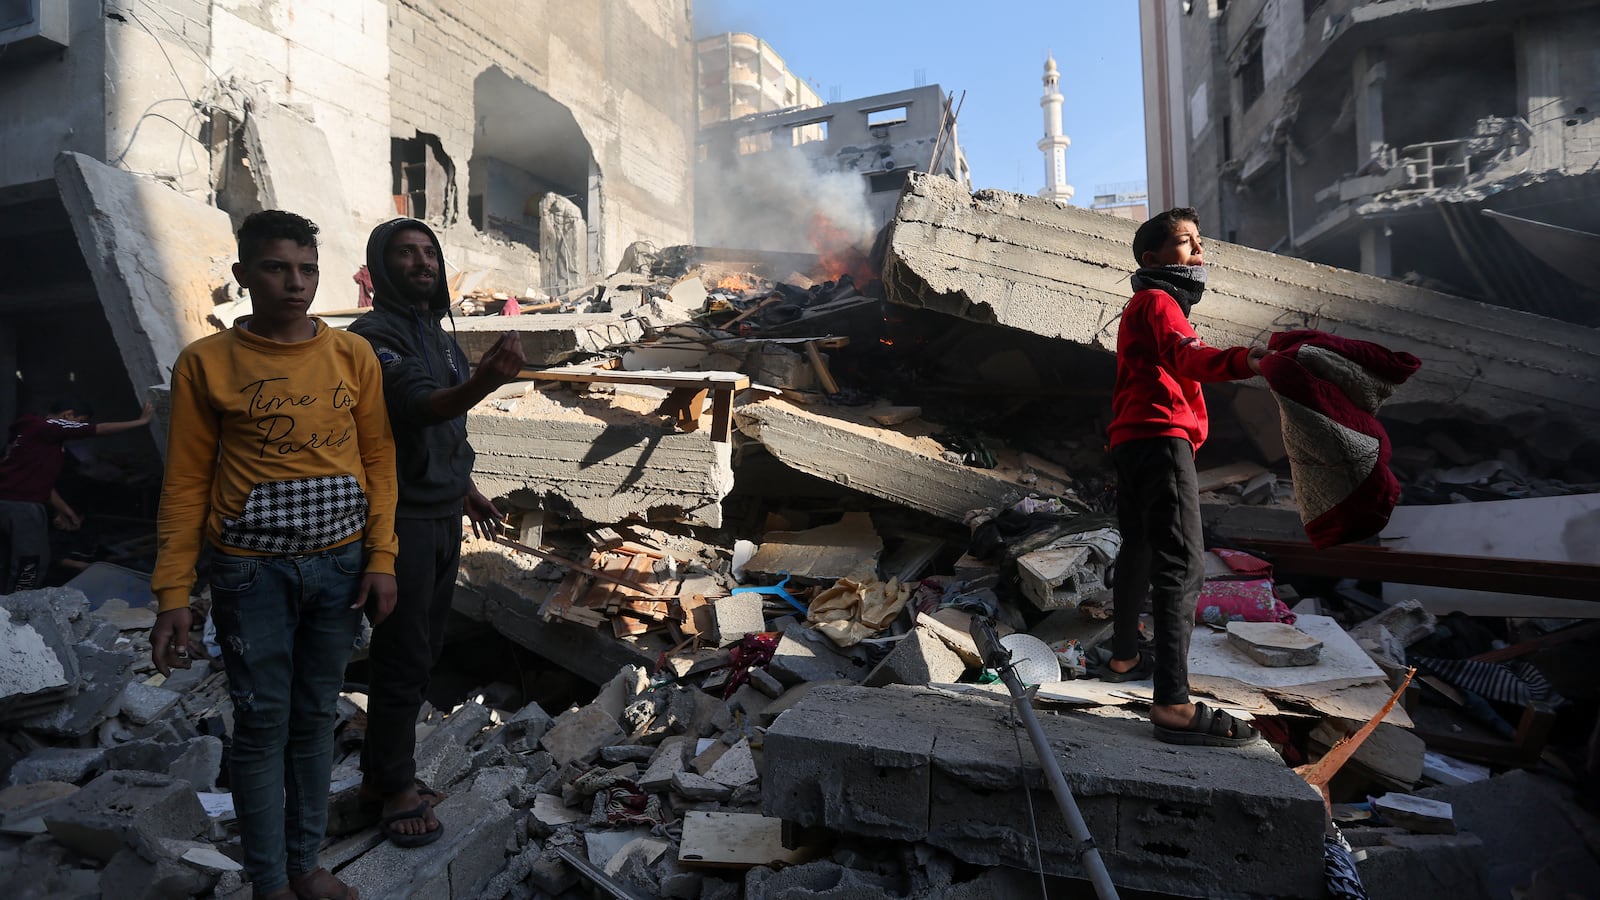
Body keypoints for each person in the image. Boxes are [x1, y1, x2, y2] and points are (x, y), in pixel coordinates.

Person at [149, 210, 398, 900]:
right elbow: (187, 481)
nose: (296, 284)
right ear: (243, 275)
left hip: (341, 568)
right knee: (261, 723)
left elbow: (378, 460)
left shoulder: (352, 356)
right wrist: (173, 594)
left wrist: (382, 558)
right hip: (248, 573)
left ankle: (306, 866)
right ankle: (270, 883)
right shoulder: (207, 364)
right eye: (276, 268)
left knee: (316, 715)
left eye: (308, 269)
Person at [348, 218, 524, 847]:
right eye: (406, 253)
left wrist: (464, 487)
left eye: (429, 253)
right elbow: (420, 406)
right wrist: (486, 381)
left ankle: (381, 774)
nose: (422, 263)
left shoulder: (439, 335)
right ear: (381, 265)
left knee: (421, 651)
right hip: (399, 523)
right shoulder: (372, 337)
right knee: (401, 655)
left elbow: (442, 433)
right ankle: (393, 788)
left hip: (440, 511)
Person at [1097, 207, 1265, 748]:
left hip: (1132, 439)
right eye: (1186, 243)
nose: (1198, 252)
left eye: (1199, 243)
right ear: (1152, 259)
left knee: (1140, 550)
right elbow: (1187, 356)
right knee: (1184, 564)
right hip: (1160, 437)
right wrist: (1251, 362)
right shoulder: (1159, 301)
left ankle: (1124, 656)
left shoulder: (1142, 303)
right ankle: (1172, 702)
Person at [0, 397, 154, 592]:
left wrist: (66, 511)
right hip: (21, 506)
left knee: (26, 556)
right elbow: (99, 429)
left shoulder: (33, 435)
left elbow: (43, 484)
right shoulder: (48, 425)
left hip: (17, 503)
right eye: (80, 421)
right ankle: (17, 605)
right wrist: (140, 422)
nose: (81, 426)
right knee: (30, 560)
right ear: (68, 415)